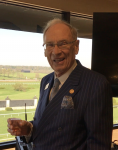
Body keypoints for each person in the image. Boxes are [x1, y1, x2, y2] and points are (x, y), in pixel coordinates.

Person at [7, 18, 113, 150]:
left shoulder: (96, 85)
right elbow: (47, 125)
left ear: (76, 47)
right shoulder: (45, 81)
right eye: (50, 45)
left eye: (62, 44)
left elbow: (99, 146)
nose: (56, 51)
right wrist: (28, 128)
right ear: (45, 50)